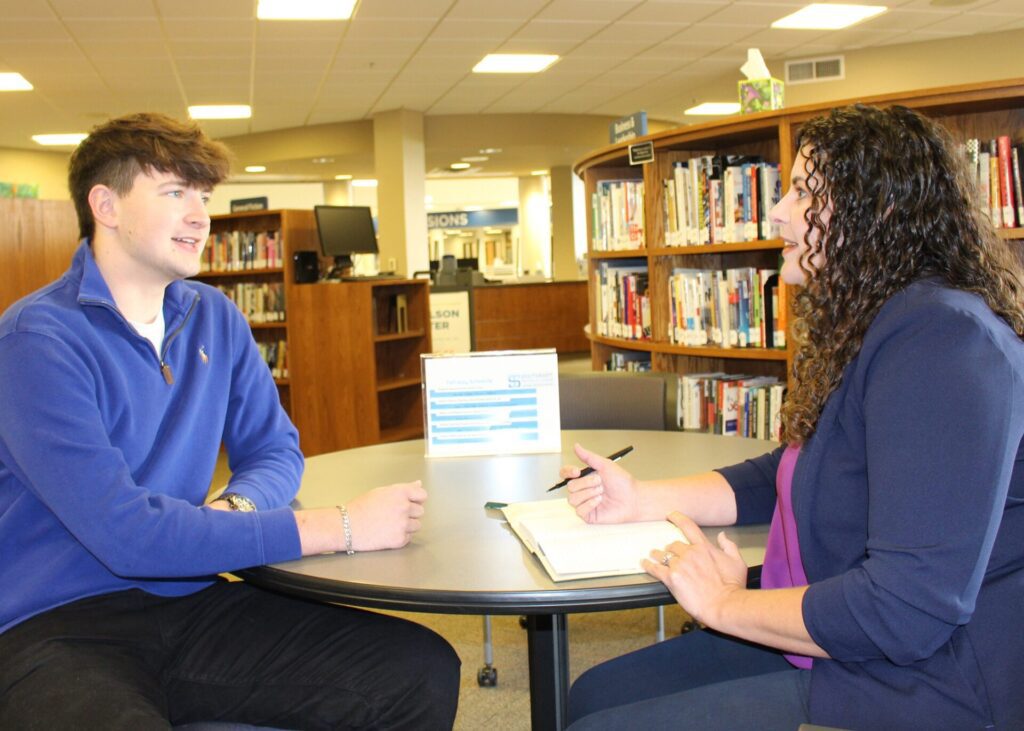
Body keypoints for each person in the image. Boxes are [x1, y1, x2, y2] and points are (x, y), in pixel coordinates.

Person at [561, 104, 1024, 730]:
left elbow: (906, 610)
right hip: (842, 638)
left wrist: (726, 603)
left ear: (880, 210)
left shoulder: (943, 342)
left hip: (927, 679)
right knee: (594, 695)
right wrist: (642, 499)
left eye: (804, 192)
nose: (777, 212)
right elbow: (796, 468)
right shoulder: (883, 318)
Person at [0, 112, 460, 729]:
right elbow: (125, 535)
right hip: (58, 625)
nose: (200, 216)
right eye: (175, 193)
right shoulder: (36, 341)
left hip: (190, 596)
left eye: (204, 197)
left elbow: (275, 451)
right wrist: (342, 526)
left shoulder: (214, 315)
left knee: (418, 669)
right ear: (105, 205)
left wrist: (237, 508)